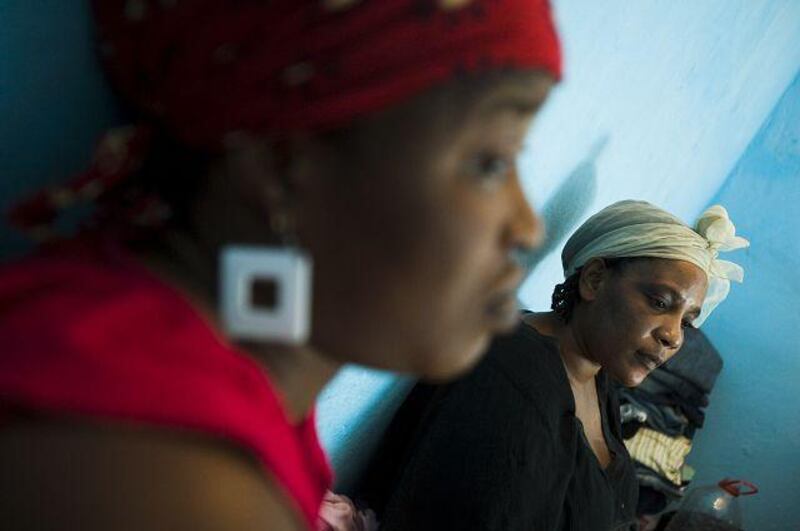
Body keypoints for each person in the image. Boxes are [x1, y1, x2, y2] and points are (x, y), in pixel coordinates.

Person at [0, 1, 562, 530]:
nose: (528, 226)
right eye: (491, 162)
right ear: (281, 165)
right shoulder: (171, 484)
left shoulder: (190, 366)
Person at [357, 200, 749, 531]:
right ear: (594, 279)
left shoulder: (597, 377)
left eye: (687, 321)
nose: (674, 337)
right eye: (660, 303)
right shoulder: (512, 379)